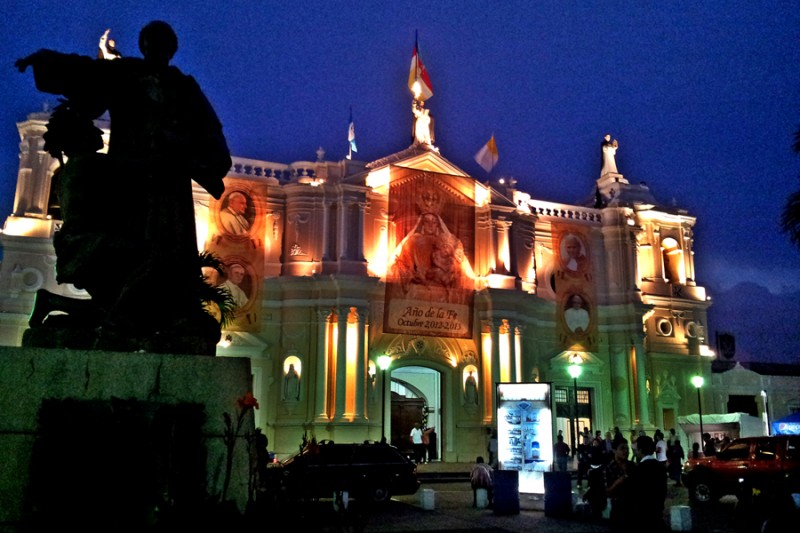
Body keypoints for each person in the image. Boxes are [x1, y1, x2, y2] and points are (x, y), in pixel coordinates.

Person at [16, 20, 232, 354]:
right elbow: (86, 72)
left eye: (163, 43)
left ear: (171, 49)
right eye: (151, 42)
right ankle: (122, 320)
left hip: (168, 183)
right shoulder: (126, 74)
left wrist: (179, 142)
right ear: (144, 45)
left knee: (166, 251)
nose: (157, 48)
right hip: (128, 176)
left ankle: (151, 316)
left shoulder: (183, 86)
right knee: (136, 249)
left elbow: (210, 133)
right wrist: (46, 60)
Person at [630, 435, 668, 530]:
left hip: (643, 513)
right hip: (658, 510)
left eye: (637, 449)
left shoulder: (639, 469)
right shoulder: (660, 467)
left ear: (641, 450)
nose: (636, 452)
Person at [604, 438, 635, 532]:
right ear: (614, 450)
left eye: (627, 449)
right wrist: (618, 482)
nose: (626, 451)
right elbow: (607, 491)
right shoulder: (609, 468)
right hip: (618, 509)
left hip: (633, 508)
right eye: (622, 449)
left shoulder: (632, 465)